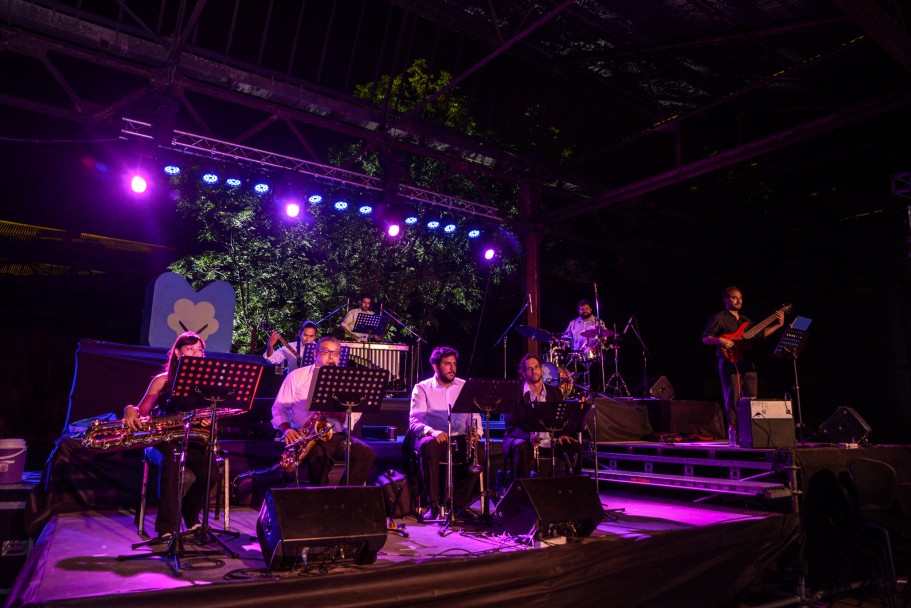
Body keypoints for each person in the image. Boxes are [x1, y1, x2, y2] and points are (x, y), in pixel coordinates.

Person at [122, 331, 210, 538]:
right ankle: (167, 528)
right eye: (190, 349)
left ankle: (190, 517)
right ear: (178, 353)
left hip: (192, 438)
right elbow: (141, 410)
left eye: (200, 350)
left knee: (210, 471)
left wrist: (209, 421)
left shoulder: (206, 384)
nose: (197, 355)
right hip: (163, 438)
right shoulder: (162, 381)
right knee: (173, 462)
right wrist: (129, 408)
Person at [271, 336, 375, 486]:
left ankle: (344, 497)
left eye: (336, 353)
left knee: (366, 453)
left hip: (337, 436)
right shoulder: (296, 376)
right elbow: (279, 407)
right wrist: (286, 429)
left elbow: (355, 414)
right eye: (326, 352)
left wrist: (337, 414)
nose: (331, 357)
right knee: (318, 457)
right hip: (306, 436)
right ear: (315, 354)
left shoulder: (348, 381)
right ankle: (320, 502)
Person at [702, 286, 785, 442]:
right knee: (732, 397)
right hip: (729, 362)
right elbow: (705, 338)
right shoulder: (719, 318)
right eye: (734, 297)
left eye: (740, 298)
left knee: (752, 398)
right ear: (726, 300)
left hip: (747, 362)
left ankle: (751, 431)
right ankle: (733, 430)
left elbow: (761, 334)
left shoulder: (746, 321)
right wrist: (720, 340)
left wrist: (778, 325)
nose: (738, 301)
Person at [408, 346, 482, 519]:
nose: (452, 368)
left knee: (479, 452)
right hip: (434, 438)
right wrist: (432, 432)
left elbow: (475, 416)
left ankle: (458, 505)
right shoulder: (422, 388)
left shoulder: (465, 386)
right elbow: (414, 421)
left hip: (459, 438)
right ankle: (433, 505)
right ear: (435, 366)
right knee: (428, 447)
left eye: (454, 364)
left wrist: (476, 433)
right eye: (447, 364)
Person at [503, 353, 580, 480]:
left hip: (550, 440)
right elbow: (511, 427)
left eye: (537, 367)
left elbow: (561, 418)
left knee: (575, 446)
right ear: (523, 373)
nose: (534, 371)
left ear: (542, 369)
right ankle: (524, 490)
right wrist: (528, 437)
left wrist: (562, 433)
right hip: (523, 440)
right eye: (529, 368)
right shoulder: (515, 394)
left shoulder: (554, 392)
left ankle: (574, 489)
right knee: (521, 446)